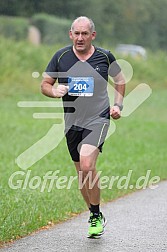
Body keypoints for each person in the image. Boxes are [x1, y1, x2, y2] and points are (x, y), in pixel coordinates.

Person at [41, 16, 125, 238]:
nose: (80, 38)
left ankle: (96, 215)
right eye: (76, 33)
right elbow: (45, 84)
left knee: (88, 165)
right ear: (70, 34)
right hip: (72, 122)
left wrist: (118, 105)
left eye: (84, 34)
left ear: (92, 35)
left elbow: (120, 79)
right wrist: (53, 91)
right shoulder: (61, 57)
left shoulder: (105, 57)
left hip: (98, 118)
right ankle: (94, 213)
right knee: (81, 174)